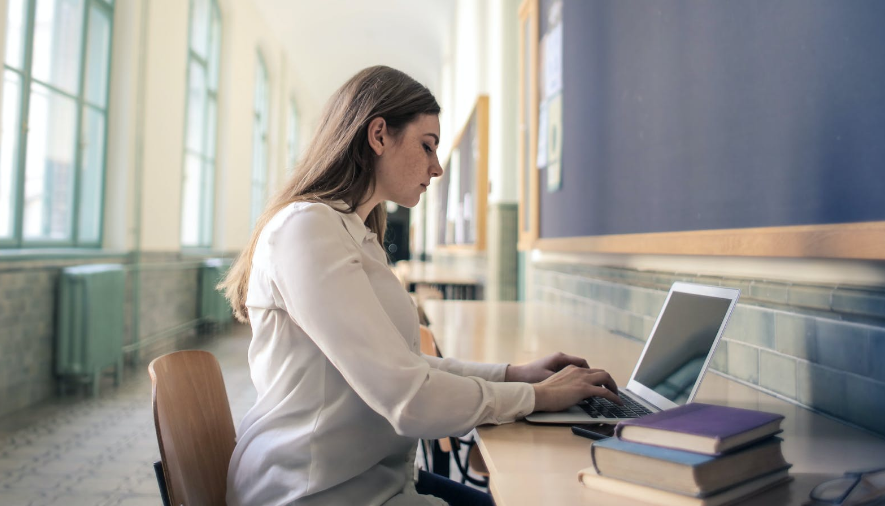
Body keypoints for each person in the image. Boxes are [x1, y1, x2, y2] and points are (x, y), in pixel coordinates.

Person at [220, 65, 622, 506]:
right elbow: (409, 399)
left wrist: (514, 376)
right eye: (427, 146)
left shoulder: (352, 233)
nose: (438, 167)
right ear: (378, 135)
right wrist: (533, 397)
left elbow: (407, 367)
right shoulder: (307, 230)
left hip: (368, 481)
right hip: (312, 492)